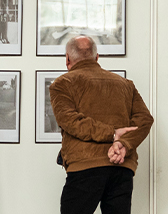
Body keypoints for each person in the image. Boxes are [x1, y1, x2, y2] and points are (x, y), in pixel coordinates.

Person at [49, 36, 153, 214]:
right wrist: (123, 144)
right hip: (122, 166)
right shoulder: (125, 84)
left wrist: (113, 134)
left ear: (67, 59)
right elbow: (145, 119)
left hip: (85, 166)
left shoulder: (63, 83)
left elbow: (70, 121)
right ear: (97, 57)